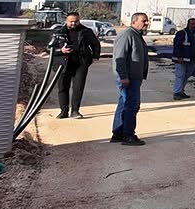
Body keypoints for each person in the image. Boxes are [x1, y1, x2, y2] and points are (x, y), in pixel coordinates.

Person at [47, 12, 102, 119]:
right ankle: (63, 111)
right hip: (63, 64)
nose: (73, 23)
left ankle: (75, 111)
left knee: (78, 88)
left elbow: (95, 44)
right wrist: (61, 50)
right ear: (66, 21)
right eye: (71, 21)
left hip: (80, 64)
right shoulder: (58, 32)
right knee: (63, 87)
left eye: (76, 21)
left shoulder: (86, 31)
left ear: (79, 20)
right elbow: (48, 48)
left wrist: (95, 56)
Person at [111, 12, 150, 146]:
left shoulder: (136, 35)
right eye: (144, 21)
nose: (146, 23)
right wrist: (124, 76)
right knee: (131, 105)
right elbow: (120, 57)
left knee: (124, 104)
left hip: (134, 77)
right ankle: (128, 135)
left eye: (147, 21)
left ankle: (118, 133)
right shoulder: (127, 35)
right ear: (134, 22)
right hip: (128, 78)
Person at [172, 17, 195, 100]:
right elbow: (177, 46)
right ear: (188, 24)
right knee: (180, 76)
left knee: (186, 76)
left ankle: (181, 91)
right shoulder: (182, 33)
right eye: (192, 24)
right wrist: (179, 57)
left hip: (191, 59)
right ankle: (177, 93)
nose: (194, 26)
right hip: (181, 59)